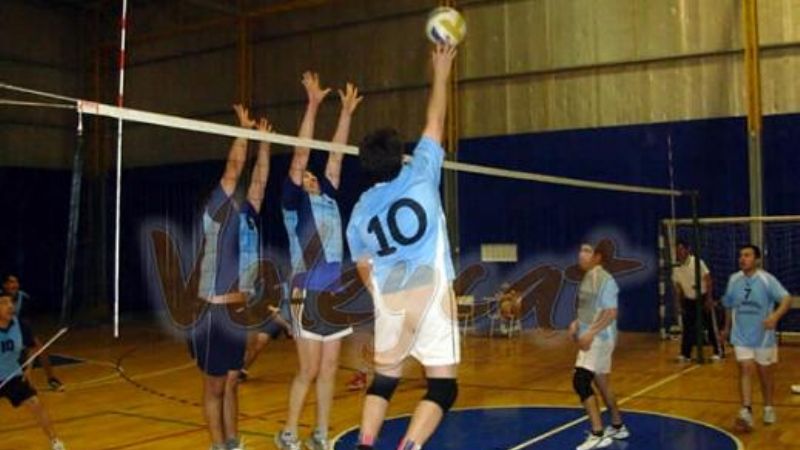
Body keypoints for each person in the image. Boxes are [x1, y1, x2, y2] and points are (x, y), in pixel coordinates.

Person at [346, 44, 459, 450]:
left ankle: (365, 444)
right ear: (401, 156)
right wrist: (441, 71)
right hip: (430, 294)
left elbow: (363, 265)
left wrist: (379, 295)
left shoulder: (360, 210)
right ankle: (408, 447)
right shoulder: (421, 174)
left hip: (390, 294)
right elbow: (435, 117)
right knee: (443, 388)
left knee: (386, 377)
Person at [274, 72, 362, 450]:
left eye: (313, 175)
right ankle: (290, 433)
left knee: (328, 370)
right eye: (306, 173)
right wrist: (312, 105)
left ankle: (321, 434)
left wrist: (345, 113)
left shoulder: (328, 197)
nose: (310, 175)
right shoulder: (294, 203)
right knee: (308, 369)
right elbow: (301, 152)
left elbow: (337, 153)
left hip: (334, 295)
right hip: (305, 294)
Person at [189, 104, 271, 450]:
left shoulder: (244, 218)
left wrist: (264, 143)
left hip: (237, 312)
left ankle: (233, 441)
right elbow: (234, 169)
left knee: (233, 382)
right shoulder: (215, 214)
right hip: (212, 313)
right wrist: (244, 131)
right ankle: (218, 444)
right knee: (215, 387)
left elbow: (259, 182)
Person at [721, 244, 793, 431]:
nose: (742, 259)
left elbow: (786, 299)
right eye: (740, 256)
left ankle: (768, 406)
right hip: (740, 335)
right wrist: (726, 327)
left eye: (747, 255)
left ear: (757, 260)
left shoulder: (767, 280)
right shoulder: (733, 280)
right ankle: (746, 409)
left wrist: (774, 317)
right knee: (745, 368)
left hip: (763, 337)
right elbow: (729, 305)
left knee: (764, 373)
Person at [569, 243, 629, 450]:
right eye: (581, 250)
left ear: (597, 257)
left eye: (586, 251)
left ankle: (597, 433)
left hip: (600, 338)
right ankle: (618, 425)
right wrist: (577, 323)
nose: (581, 254)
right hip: (594, 335)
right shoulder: (588, 277)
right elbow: (589, 307)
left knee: (580, 380)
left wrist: (590, 333)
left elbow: (611, 313)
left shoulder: (605, 280)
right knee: (602, 382)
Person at [0, 294, 66, 450]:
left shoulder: (21, 325)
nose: (10, 306)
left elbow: (32, 347)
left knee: (35, 403)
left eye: (10, 302)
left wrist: (28, 369)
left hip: (13, 375)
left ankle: (55, 441)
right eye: (4, 303)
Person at [2, 275, 64, 391]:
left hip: (18, 329)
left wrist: (26, 335)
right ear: (5, 285)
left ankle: (52, 379)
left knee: (40, 348)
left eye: (16, 282)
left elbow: (26, 322)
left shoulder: (24, 298)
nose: (15, 285)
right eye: (11, 282)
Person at [671, 241, 721, 362]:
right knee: (687, 327)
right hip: (689, 300)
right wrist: (678, 303)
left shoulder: (697, 262)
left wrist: (709, 298)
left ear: (688, 250)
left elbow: (708, 280)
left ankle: (718, 351)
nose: (679, 253)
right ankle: (685, 354)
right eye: (677, 250)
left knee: (710, 325)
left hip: (702, 297)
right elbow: (678, 287)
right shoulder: (676, 268)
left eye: (681, 249)